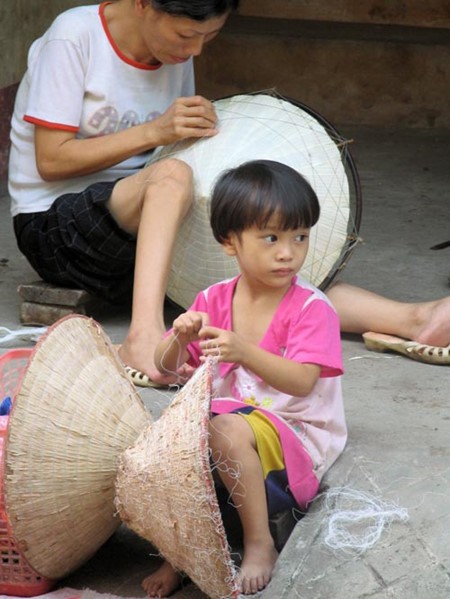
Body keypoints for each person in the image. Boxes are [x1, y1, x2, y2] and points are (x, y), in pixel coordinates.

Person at [8, 0, 450, 389]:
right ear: (143, 3)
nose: (195, 49)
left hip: (149, 228)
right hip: (58, 227)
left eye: (210, 36)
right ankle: (143, 336)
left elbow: (172, 149)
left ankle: (413, 320)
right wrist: (155, 131)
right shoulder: (74, 37)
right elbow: (52, 159)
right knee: (174, 176)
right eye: (186, 34)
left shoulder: (176, 50)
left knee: (261, 253)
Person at [148, 160, 347, 596]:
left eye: (300, 237)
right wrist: (180, 338)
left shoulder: (312, 308)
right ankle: (178, 553)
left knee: (223, 428)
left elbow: (301, 383)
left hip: (294, 429)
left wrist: (243, 351)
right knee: (171, 440)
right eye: (271, 237)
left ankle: (259, 543)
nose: (288, 252)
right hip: (229, 423)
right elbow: (161, 366)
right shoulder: (213, 299)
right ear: (229, 242)